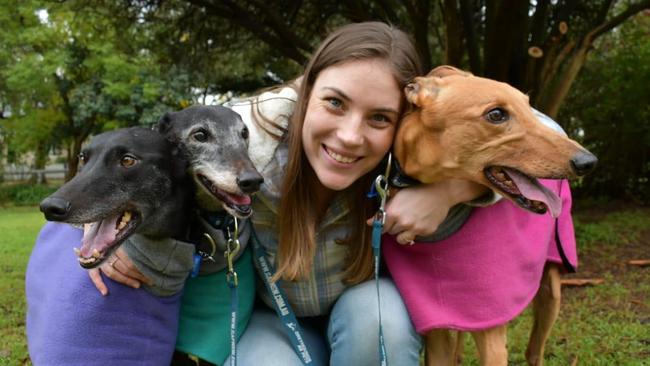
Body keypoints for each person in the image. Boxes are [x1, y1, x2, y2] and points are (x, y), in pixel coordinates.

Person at [93, 22, 492, 365]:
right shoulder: (248, 136)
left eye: (379, 118)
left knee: (380, 324)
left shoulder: (409, 149)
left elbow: (541, 136)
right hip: (271, 316)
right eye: (335, 102)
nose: (350, 137)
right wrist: (98, 226)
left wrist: (452, 190)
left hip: (361, 302)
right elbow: (140, 153)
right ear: (304, 92)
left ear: (401, 122)